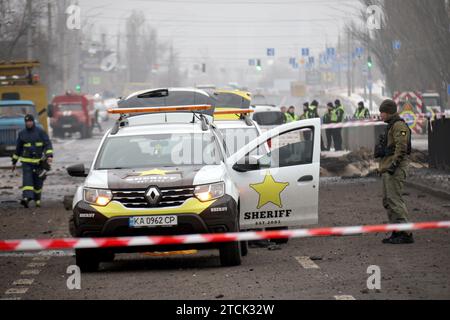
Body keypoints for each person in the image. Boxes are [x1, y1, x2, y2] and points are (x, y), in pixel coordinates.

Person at [375, 99, 413, 244]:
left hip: (395, 169)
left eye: (382, 112)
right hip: (388, 168)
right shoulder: (391, 126)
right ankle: (397, 231)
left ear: (389, 112)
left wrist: (394, 164)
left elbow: (401, 147)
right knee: (388, 201)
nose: (381, 115)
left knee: (395, 200)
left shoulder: (398, 125)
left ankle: (406, 233)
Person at [11, 114, 54, 208]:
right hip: (26, 163)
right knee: (27, 180)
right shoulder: (22, 133)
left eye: (30, 121)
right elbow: (18, 149)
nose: (29, 123)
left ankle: (37, 199)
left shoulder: (40, 132)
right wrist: (14, 162)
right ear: (25, 122)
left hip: (39, 163)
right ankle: (26, 198)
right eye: (27, 122)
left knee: (38, 182)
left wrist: (49, 155)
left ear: (33, 121)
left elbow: (47, 144)